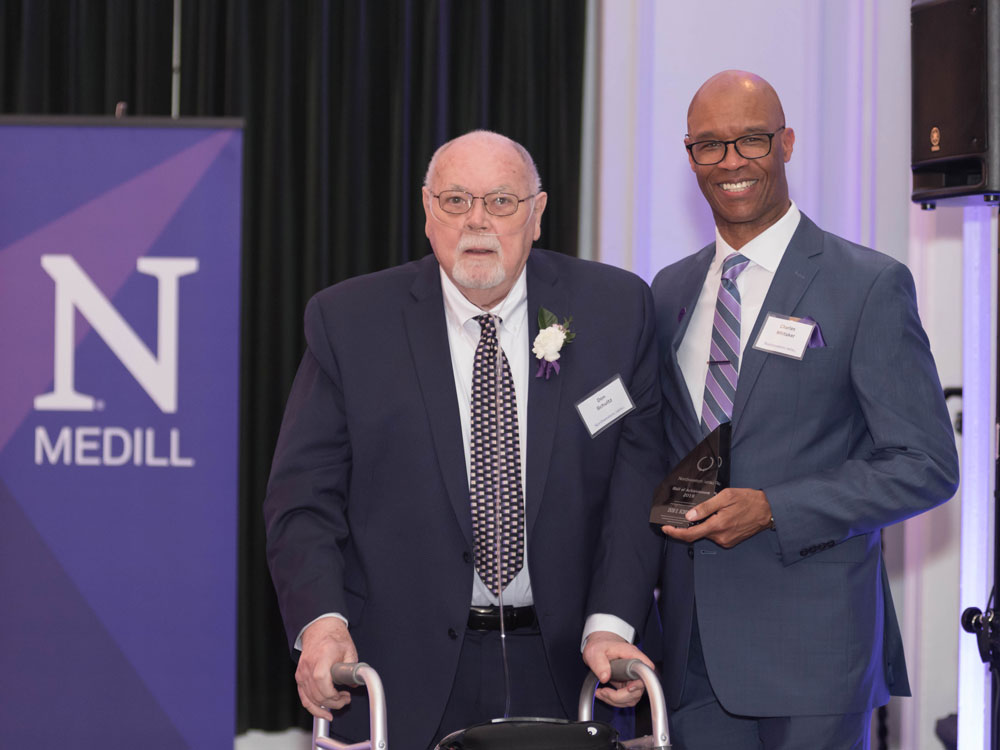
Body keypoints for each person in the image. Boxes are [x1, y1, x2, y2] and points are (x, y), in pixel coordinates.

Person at [584, 71, 960, 749]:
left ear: (785, 143)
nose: (730, 163)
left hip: (813, 651)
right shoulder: (668, 289)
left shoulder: (866, 285)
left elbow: (925, 464)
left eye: (750, 141)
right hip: (691, 655)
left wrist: (776, 507)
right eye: (709, 146)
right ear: (690, 155)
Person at [263, 130, 665, 749]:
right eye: (455, 201)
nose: (477, 220)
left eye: (501, 201)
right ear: (427, 213)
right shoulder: (350, 323)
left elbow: (635, 483)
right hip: (401, 672)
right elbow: (302, 500)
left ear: (538, 214)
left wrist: (611, 623)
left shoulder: (616, 310)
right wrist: (321, 625)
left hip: (570, 664)